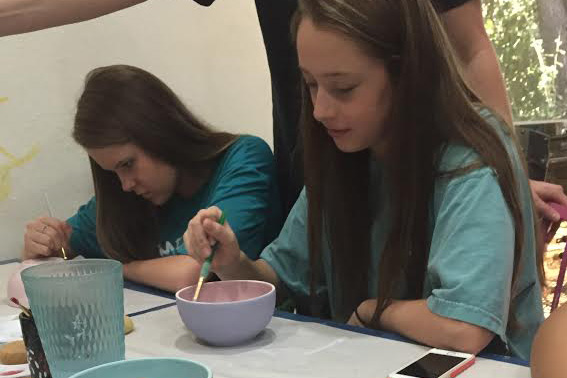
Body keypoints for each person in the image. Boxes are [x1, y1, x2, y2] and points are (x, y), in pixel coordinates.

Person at [184, 0, 544, 360]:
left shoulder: (471, 158)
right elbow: (278, 278)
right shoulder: (344, 155)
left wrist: (375, 310)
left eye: (343, 88)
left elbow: (464, 327)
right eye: (310, 84)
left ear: (406, 75)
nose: (320, 110)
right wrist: (232, 263)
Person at [1, 0, 566, 220]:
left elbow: (471, 50)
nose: (322, 104)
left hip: (429, 186)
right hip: (321, 181)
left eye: (340, 86)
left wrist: (504, 171)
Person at [22, 64, 282, 293]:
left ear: (159, 132)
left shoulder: (243, 157)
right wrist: (42, 243)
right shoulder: (125, 195)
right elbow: (58, 248)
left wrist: (116, 267)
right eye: (113, 172)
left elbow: (191, 273)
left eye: (128, 164)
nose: (125, 184)